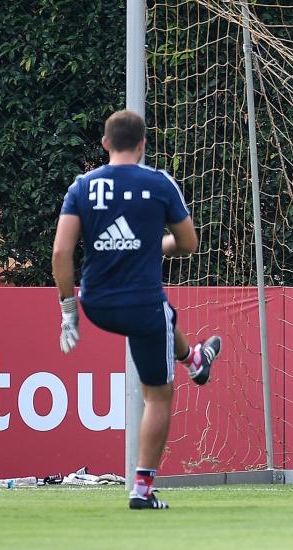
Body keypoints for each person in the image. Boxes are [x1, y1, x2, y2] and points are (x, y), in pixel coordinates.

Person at [52, 109, 222, 509]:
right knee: (158, 395)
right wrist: (153, 246)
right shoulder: (159, 183)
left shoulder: (83, 186)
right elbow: (188, 244)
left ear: (105, 144)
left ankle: (194, 357)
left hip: (97, 304)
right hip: (143, 306)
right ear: (143, 144)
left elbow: (61, 252)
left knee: (165, 320)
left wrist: (68, 310)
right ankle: (142, 490)